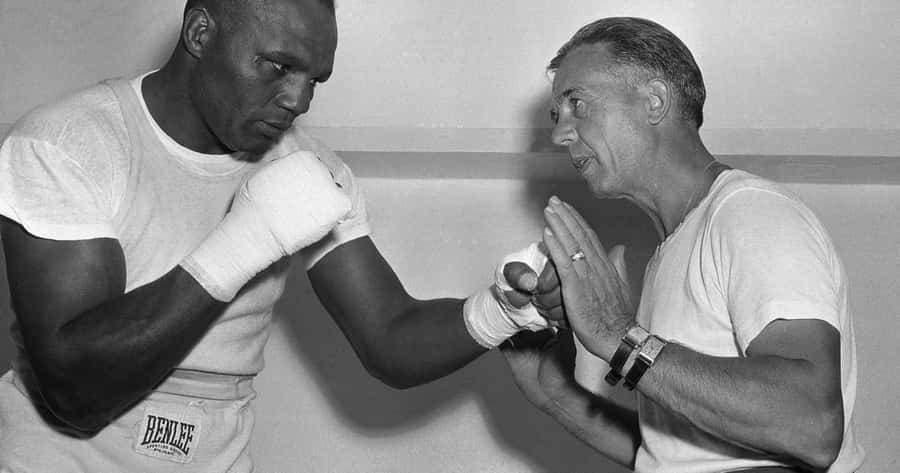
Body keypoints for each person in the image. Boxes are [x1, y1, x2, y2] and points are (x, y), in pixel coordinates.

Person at [0, 0, 553, 471]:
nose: (299, 100)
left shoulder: (310, 169)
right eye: (278, 66)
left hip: (216, 453)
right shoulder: (69, 143)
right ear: (200, 32)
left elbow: (390, 337)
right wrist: (247, 239)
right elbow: (76, 391)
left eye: (314, 79)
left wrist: (502, 310)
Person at [500, 17, 865, 473]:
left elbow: (812, 422)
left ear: (654, 101)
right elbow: (676, 456)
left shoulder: (750, 212)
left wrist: (619, 335)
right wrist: (554, 393)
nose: (560, 134)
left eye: (578, 104)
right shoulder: (668, 254)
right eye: (558, 114)